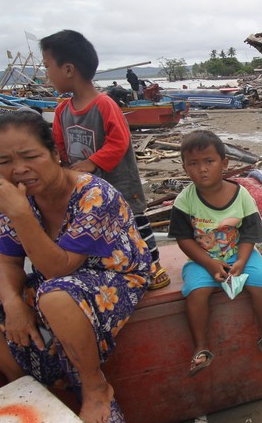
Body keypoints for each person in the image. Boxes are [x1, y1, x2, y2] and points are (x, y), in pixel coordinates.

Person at [0, 110, 152, 423]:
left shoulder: (94, 193)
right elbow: (7, 263)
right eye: (3, 161)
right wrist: (12, 304)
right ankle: (29, 388)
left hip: (116, 275)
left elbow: (59, 269)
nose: (18, 169)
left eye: (30, 156)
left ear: (54, 153)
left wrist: (21, 214)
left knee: (55, 295)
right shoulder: (18, 199)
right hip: (59, 281)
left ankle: (95, 386)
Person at [40, 30, 170, 290]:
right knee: (98, 227)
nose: (46, 75)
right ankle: (119, 267)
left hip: (119, 182)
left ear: (68, 70)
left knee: (136, 222)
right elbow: (60, 148)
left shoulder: (104, 104)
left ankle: (153, 265)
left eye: (47, 67)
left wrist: (91, 163)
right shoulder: (62, 110)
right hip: (85, 188)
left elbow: (119, 141)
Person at [168, 130, 262, 377]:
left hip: (239, 253)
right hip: (203, 259)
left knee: (261, 283)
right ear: (185, 168)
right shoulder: (184, 201)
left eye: (209, 161)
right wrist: (209, 264)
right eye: (193, 164)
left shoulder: (241, 196)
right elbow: (184, 239)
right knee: (197, 294)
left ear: (224, 163)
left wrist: (242, 260)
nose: (202, 169)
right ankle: (201, 347)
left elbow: (250, 234)